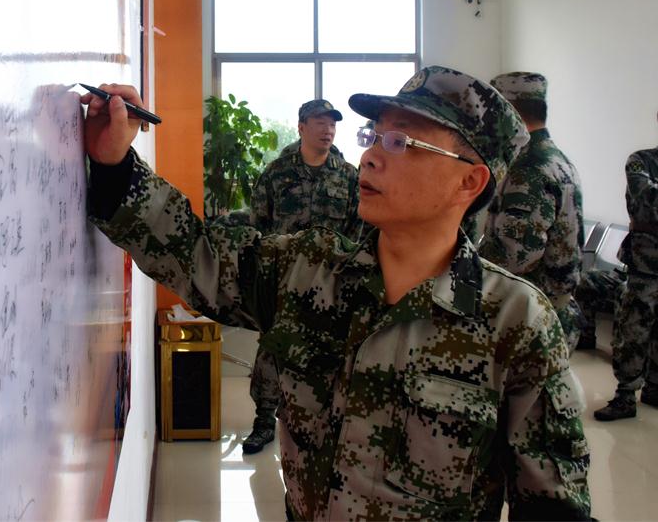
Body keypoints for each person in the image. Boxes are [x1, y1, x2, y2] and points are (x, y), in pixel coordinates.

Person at [80, 66, 590, 520]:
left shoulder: (516, 322)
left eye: (401, 143)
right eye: (376, 135)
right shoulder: (307, 270)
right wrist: (115, 165)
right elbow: (195, 252)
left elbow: (552, 508)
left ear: (470, 182)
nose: (369, 157)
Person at [243, 98, 362, 455]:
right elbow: (258, 225)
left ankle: (326, 425)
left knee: (332, 352)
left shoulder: (348, 175)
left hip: (333, 279)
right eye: (320, 123)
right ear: (301, 127)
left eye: (332, 124)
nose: (328, 130)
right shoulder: (277, 174)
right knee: (272, 349)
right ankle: (264, 421)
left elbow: (360, 226)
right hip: (284, 278)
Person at [479, 72, 585, 354]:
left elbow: (515, 257)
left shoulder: (528, 168)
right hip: (552, 309)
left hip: (529, 317)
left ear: (508, 112)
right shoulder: (557, 160)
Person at [594, 117, 658, 421]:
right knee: (634, 329)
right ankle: (624, 396)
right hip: (645, 265)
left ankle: (655, 388)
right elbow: (647, 201)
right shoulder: (641, 161)